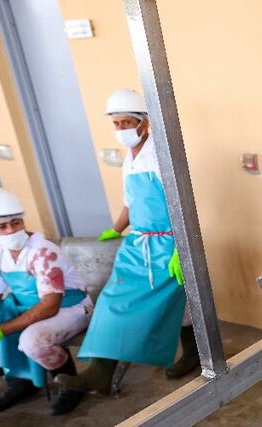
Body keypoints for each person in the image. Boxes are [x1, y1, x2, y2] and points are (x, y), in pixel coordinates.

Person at [57, 89, 198, 394]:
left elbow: (180, 204)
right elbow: (130, 203)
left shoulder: (161, 155)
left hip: (167, 245)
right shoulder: (129, 160)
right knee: (114, 300)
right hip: (137, 245)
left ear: (144, 123)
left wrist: (180, 250)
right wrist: (116, 228)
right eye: (116, 124)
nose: (121, 130)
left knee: (137, 304)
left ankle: (103, 370)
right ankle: (102, 370)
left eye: (126, 122)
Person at [0, 188, 91, 415]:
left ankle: (69, 384)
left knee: (33, 340)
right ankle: (18, 382)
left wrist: (1, 329)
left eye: (15, 222)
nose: (11, 230)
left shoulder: (43, 252)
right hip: (26, 308)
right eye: (2, 226)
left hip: (71, 307)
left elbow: (50, 305)